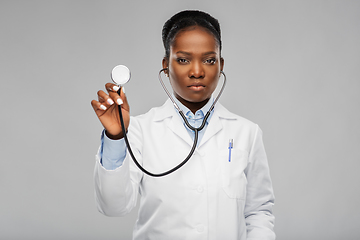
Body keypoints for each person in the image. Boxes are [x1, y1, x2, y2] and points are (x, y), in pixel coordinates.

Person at [91, 10, 275, 240]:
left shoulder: (246, 132)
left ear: (221, 65)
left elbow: (258, 211)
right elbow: (114, 207)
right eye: (183, 60)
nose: (197, 72)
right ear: (166, 66)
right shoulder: (140, 130)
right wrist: (116, 137)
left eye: (209, 60)